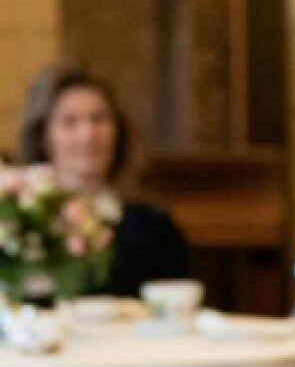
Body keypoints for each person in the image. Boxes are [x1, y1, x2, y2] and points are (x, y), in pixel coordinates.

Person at [17, 65, 191, 298]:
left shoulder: (153, 225)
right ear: (44, 137)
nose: (88, 134)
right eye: (70, 122)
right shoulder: (19, 223)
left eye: (99, 119)